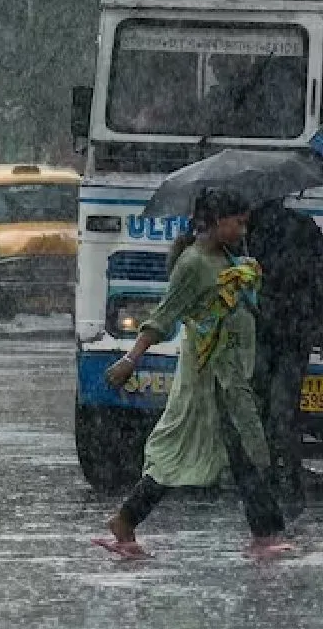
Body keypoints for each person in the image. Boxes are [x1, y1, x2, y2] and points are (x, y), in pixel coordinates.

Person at [94, 189, 293, 560]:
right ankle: (125, 520)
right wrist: (129, 360)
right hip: (205, 378)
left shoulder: (227, 258)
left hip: (231, 375)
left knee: (245, 447)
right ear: (217, 223)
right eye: (238, 222)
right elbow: (163, 318)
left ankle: (265, 532)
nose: (242, 228)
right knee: (182, 451)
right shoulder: (192, 264)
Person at [246, 197, 323, 515]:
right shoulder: (304, 228)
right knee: (283, 410)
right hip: (294, 331)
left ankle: (267, 476)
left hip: (264, 330)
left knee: (262, 407)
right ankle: (286, 477)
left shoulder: (247, 231)